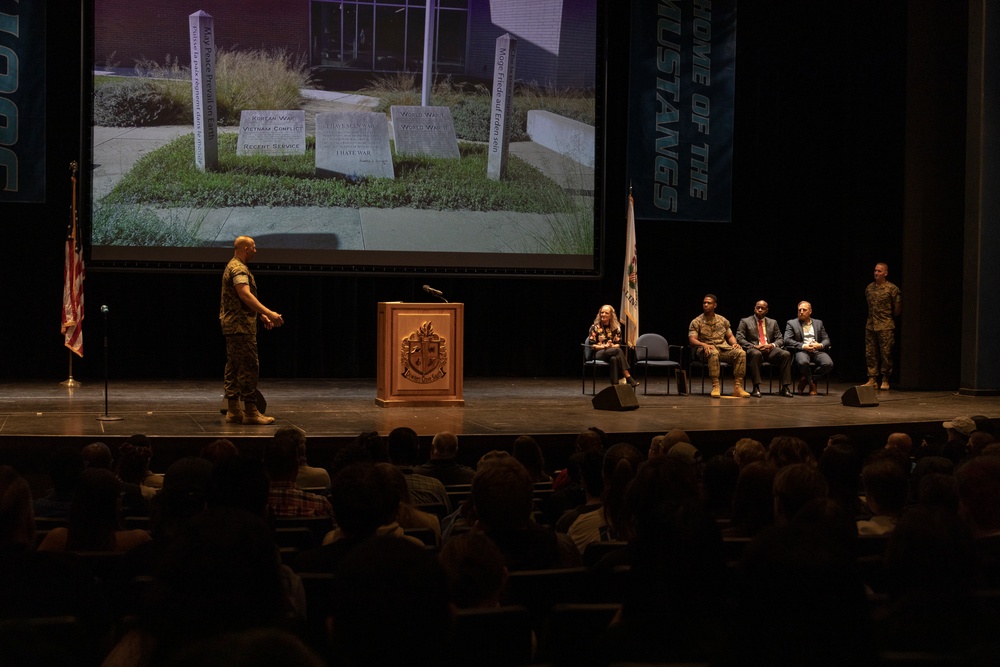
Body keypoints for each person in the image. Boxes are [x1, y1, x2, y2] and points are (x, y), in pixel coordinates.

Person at [220, 235, 284, 425]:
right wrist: (269, 312)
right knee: (249, 367)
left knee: (233, 367)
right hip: (240, 327)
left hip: (234, 325)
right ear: (246, 249)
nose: (256, 251)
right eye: (254, 248)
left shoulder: (233, 265)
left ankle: (233, 410)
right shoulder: (238, 268)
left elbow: (240, 301)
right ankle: (250, 412)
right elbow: (245, 295)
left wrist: (260, 316)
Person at [688, 294, 750, 398]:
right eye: (704, 303)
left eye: (709, 303)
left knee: (741, 353)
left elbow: (730, 336)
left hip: (723, 348)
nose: (706, 305)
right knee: (713, 353)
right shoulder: (696, 321)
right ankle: (715, 386)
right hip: (705, 350)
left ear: (715, 305)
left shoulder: (722, 320)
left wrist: (734, 343)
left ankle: (738, 387)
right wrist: (703, 344)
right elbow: (692, 340)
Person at [736, 300, 794, 398]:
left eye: (762, 308)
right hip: (754, 349)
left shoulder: (773, 322)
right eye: (757, 307)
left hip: (769, 350)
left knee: (786, 354)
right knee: (756, 354)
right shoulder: (745, 321)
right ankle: (756, 387)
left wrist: (772, 345)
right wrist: (754, 346)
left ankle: (785, 387)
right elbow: (739, 338)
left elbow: (780, 338)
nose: (759, 310)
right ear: (754, 309)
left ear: (766, 310)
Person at [863, 262, 901, 391]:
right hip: (871, 325)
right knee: (870, 353)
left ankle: (885, 379)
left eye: (879, 271)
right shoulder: (869, 288)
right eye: (875, 270)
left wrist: (887, 318)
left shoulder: (892, 289)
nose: (876, 273)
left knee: (886, 353)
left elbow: (897, 309)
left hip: (885, 325)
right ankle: (872, 379)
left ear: (885, 273)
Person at [783, 301, 833, 395]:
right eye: (799, 310)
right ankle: (812, 384)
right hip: (802, 350)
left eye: (804, 310)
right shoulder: (792, 323)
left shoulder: (818, 323)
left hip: (816, 350)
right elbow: (787, 340)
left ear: (810, 311)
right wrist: (803, 346)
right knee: (803, 362)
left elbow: (826, 339)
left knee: (828, 364)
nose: (801, 312)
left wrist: (820, 345)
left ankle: (806, 379)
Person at [587, 304, 640, 388]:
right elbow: (592, 346)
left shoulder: (616, 328)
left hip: (611, 352)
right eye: (602, 312)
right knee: (618, 351)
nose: (603, 314)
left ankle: (615, 386)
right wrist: (605, 346)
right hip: (598, 353)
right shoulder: (594, 327)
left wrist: (611, 345)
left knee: (614, 358)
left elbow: (618, 344)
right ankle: (628, 377)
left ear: (611, 315)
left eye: (606, 313)